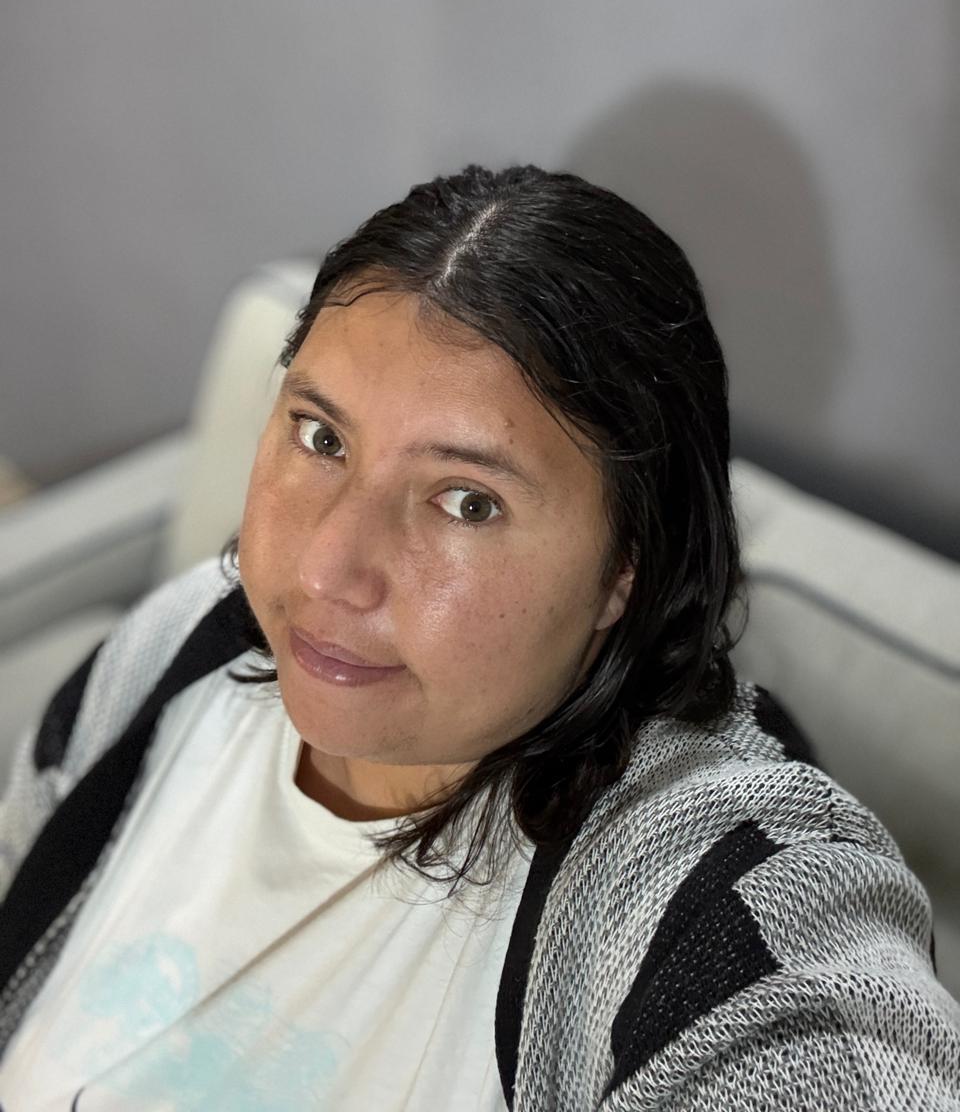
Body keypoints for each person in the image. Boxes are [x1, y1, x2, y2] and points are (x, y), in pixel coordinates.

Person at [0, 163, 958, 1110]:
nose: (327, 572)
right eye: (323, 438)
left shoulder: (711, 890)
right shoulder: (181, 648)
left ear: (624, 570)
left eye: (467, 502)